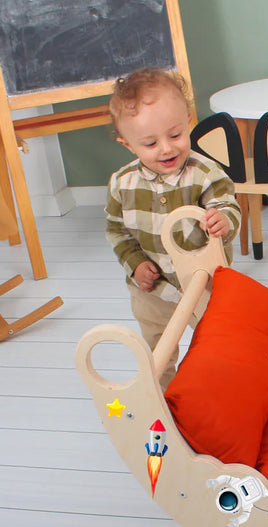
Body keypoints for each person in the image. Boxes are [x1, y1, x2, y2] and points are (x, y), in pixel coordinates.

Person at [105, 68, 241, 388]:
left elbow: (227, 205)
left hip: (203, 283)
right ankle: (165, 397)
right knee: (158, 351)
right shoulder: (122, 184)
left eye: (176, 134)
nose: (166, 149)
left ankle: (218, 390)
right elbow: (117, 231)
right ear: (128, 145)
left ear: (189, 121)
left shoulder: (205, 173)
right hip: (153, 292)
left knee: (217, 345)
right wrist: (136, 265)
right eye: (150, 143)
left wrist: (223, 220)